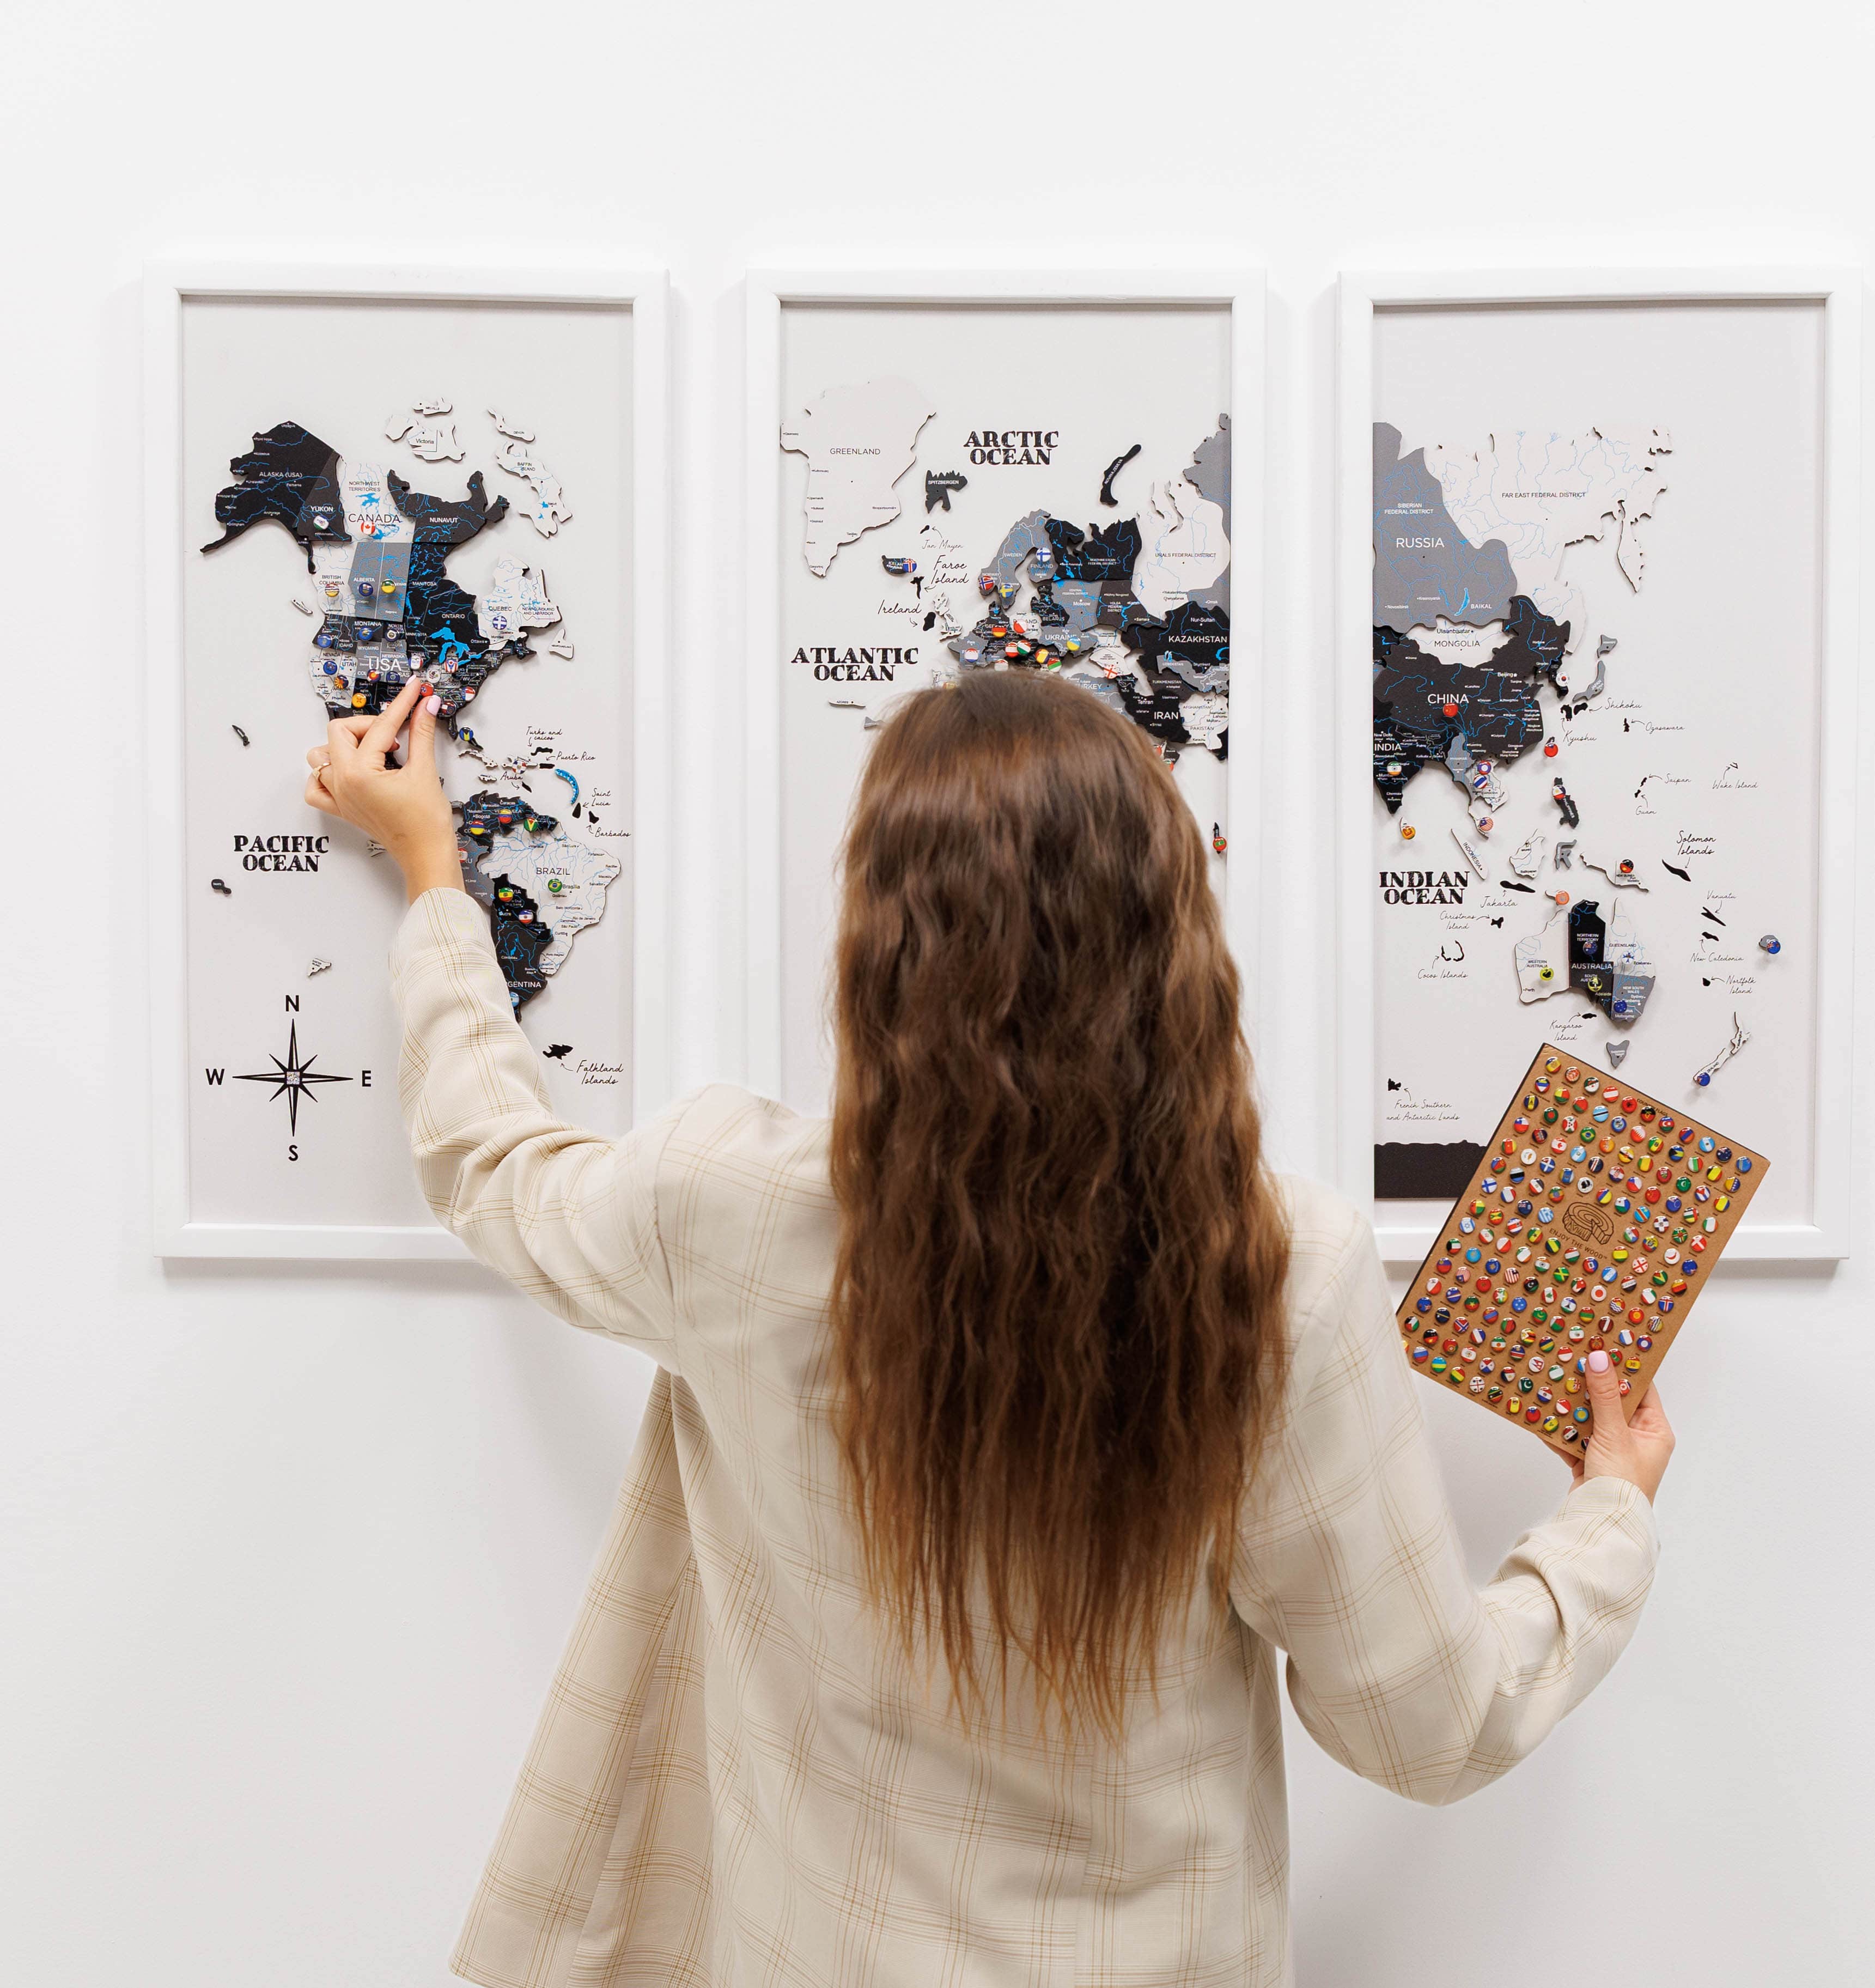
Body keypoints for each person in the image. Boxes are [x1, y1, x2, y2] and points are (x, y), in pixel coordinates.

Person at [306, 672, 1671, 1988]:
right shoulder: (1279, 1275)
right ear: (1172, 936)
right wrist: (1604, 1516)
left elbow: (491, 1160)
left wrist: (434, 872)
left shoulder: (720, 1205)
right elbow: (1427, 1727)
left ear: (878, 941)